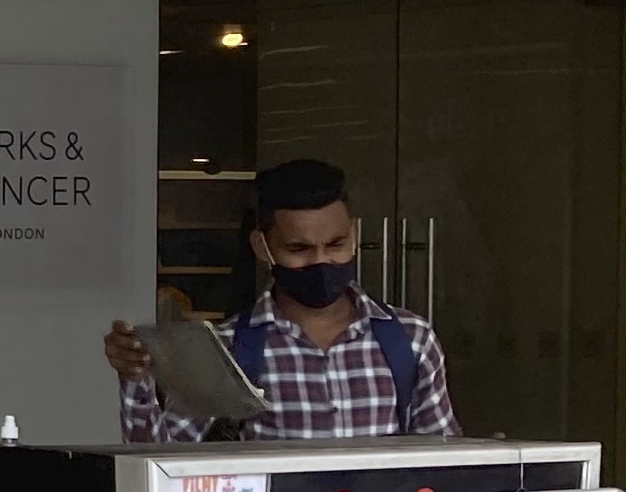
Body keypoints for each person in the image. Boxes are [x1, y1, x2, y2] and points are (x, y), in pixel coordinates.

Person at [106, 154, 460, 442]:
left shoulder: (410, 339)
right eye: (299, 248)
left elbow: (445, 460)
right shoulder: (227, 351)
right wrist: (137, 378)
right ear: (263, 247)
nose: (321, 260)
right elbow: (161, 461)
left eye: (335, 244)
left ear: (353, 235)